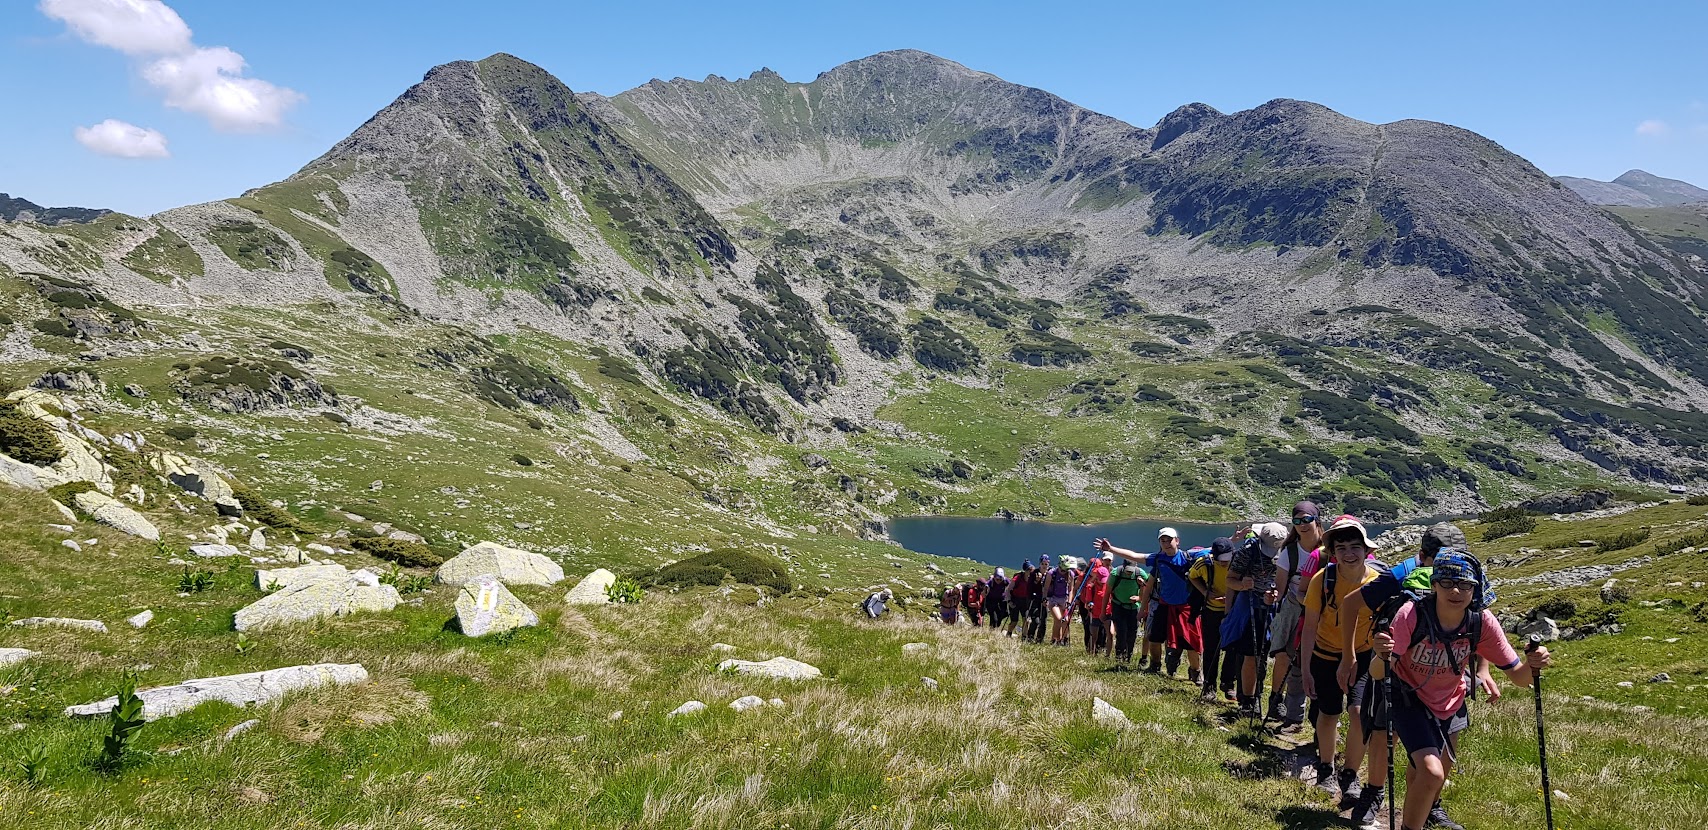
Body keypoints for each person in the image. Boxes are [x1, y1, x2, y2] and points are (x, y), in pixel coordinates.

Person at [1375, 551, 1550, 830]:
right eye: (1446, 583)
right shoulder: (1411, 614)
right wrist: (1380, 655)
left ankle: (1420, 816)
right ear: (1434, 585)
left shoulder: (1481, 622)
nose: (1456, 590)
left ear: (1475, 588)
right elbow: (1377, 672)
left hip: (1450, 701)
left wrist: (1534, 663)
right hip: (1408, 696)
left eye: (1465, 584)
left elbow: (1518, 677)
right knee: (1431, 772)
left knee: (1434, 773)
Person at [1337, 522, 1487, 829]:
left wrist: (1482, 668)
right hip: (1396, 669)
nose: (1450, 571)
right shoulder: (1401, 573)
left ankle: (1427, 805)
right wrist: (1349, 655)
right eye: (1440, 560)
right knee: (1383, 732)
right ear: (1423, 557)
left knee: (1438, 745)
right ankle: (1374, 794)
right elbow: (1352, 603)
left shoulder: (1466, 580)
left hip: (1444, 678)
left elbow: (1479, 623)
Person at [1300, 515, 1384, 803]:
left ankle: (1349, 774)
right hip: (1324, 655)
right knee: (1329, 713)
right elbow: (1309, 626)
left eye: (1355, 546)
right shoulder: (1322, 581)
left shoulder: (1377, 583)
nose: (1349, 553)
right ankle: (1326, 768)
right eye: (1342, 548)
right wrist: (1305, 669)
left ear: (1366, 550)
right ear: (1332, 553)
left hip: (1362, 657)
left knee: (1360, 714)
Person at [1268, 501, 1326, 730]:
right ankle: (1279, 702)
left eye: (1307, 519)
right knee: (1284, 656)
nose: (1302, 525)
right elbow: (1280, 590)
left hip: (1321, 611)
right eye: (1297, 521)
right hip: (1293, 608)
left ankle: (1314, 716)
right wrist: (1271, 596)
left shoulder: (1328, 548)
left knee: (1314, 661)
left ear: (1316, 519)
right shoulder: (1289, 552)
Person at [1223, 521, 1286, 717]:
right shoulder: (1247, 551)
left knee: (1269, 653)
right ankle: (1249, 701)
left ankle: (1269, 700)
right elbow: (1229, 579)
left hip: (1277, 607)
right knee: (1251, 654)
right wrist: (1242, 585)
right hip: (1250, 602)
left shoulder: (1289, 552)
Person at [1125, 528, 1204, 679]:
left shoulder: (1189, 557)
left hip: (1186, 608)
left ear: (1177, 541)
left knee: (1191, 643)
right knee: (1154, 638)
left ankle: (1195, 672)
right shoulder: (1158, 560)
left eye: (1170, 540)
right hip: (1165, 606)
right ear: (1160, 543)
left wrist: (1233, 539)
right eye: (1163, 540)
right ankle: (1155, 666)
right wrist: (1143, 609)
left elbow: (1218, 549)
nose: (1167, 543)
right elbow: (1135, 557)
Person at [1190, 537, 1238, 702]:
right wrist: (1206, 593)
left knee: (1234, 649)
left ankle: (1228, 683)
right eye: (1221, 561)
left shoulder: (1239, 561)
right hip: (1211, 611)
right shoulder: (1204, 563)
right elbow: (1192, 576)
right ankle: (1209, 686)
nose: (1225, 563)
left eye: (1227, 560)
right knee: (1211, 649)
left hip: (1233, 612)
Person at [1096, 540, 1150, 668]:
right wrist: (1103, 612)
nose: (1129, 573)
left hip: (1133, 608)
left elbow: (1147, 594)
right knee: (1121, 632)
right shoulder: (1116, 573)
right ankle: (1119, 658)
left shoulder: (1141, 574)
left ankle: (1128, 658)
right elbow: (1107, 593)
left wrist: (1139, 596)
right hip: (1118, 606)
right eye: (1128, 571)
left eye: (1131, 571)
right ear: (1124, 567)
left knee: (1132, 634)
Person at [1080, 553, 1111, 654]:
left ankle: (1106, 653)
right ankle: (1092, 653)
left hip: (1107, 613)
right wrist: (1089, 605)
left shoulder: (1109, 585)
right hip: (1095, 613)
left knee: (1108, 634)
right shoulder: (1091, 587)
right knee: (1093, 635)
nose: (1102, 582)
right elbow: (1087, 602)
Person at [1046, 556, 1075, 646]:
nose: (1064, 571)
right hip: (1053, 599)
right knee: (1058, 618)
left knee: (1065, 620)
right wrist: (1044, 599)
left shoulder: (1070, 574)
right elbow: (1046, 588)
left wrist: (1069, 602)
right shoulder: (1051, 573)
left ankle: (1063, 640)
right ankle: (1056, 640)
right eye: (1063, 569)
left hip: (1064, 600)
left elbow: (1071, 589)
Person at [1006, 561, 1034, 638]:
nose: (1030, 572)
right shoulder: (1017, 578)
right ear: (1025, 570)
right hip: (1015, 600)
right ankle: (1009, 633)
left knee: (1027, 620)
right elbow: (1008, 590)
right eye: (1029, 570)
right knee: (1014, 621)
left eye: (1031, 570)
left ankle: (1024, 637)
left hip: (1025, 601)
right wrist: (1009, 601)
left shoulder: (1032, 579)